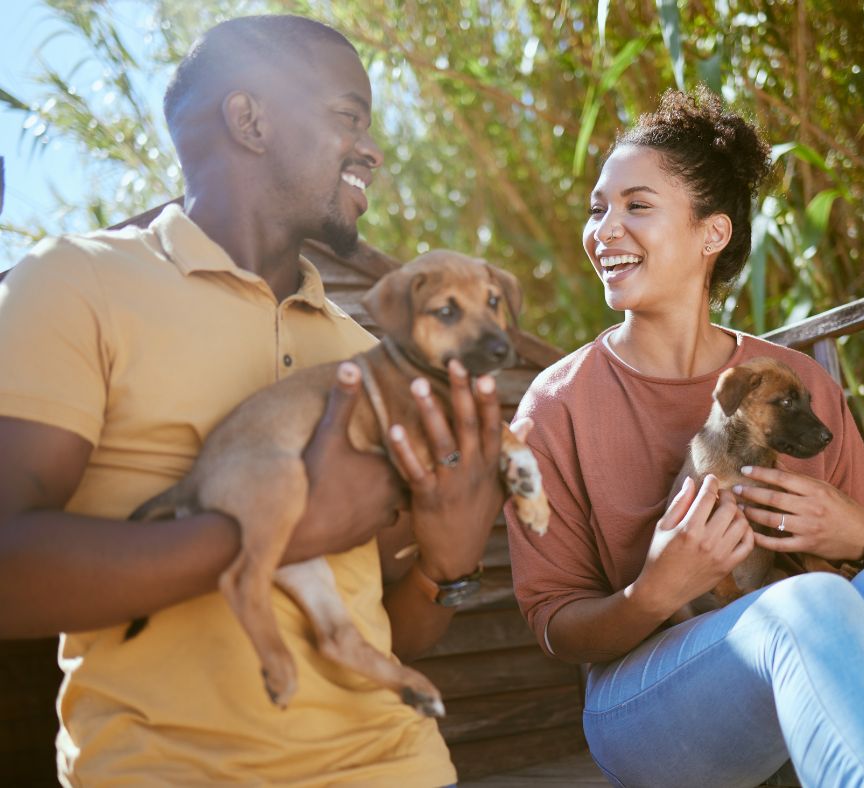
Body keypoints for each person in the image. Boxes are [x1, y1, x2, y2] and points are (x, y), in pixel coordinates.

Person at [0, 15, 507, 787]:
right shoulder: (72, 284)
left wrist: (449, 566)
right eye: (347, 117)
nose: (372, 148)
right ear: (250, 119)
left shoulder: (369, 359)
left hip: (401, 765)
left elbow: (389, 632)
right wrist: (285, 531)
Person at [506, 87, 864, 787]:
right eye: (599, 209)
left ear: (712, 233)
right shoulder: (557, 405)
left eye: (635, 206)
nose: (604, 229)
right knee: (809, 602)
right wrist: (654, 591)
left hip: (818, 664)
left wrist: (863, 535)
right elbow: (555, 624)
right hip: (645, 706)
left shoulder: (795, 381)